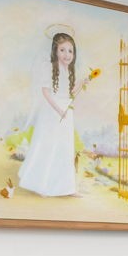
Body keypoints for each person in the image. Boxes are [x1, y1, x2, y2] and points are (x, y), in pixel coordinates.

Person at [18, 30, 79, 197]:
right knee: (48, 146)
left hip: (65, 112)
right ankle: (42, 184)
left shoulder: (68, 70)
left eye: (70, 50)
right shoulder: (50, 68)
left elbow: (69, 92)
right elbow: (46, 92)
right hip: (52, 113)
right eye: (62, 50)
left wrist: (82, 83)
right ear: (55, 51)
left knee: (64, 148)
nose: (67, 54)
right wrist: (58, 109)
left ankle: (67, 187)